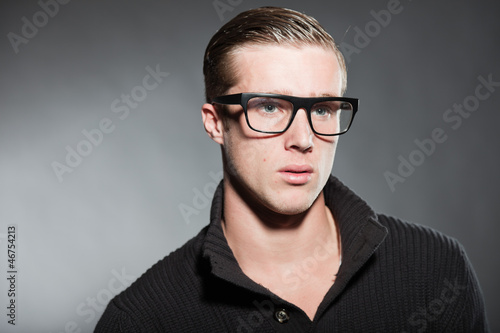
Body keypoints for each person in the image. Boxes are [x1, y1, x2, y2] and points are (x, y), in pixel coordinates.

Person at [95, 6, 488, 332]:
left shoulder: (436, 270)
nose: (303, 138)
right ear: (216, 123)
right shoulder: (142, 320)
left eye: (322, 109)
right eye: (269, 107)